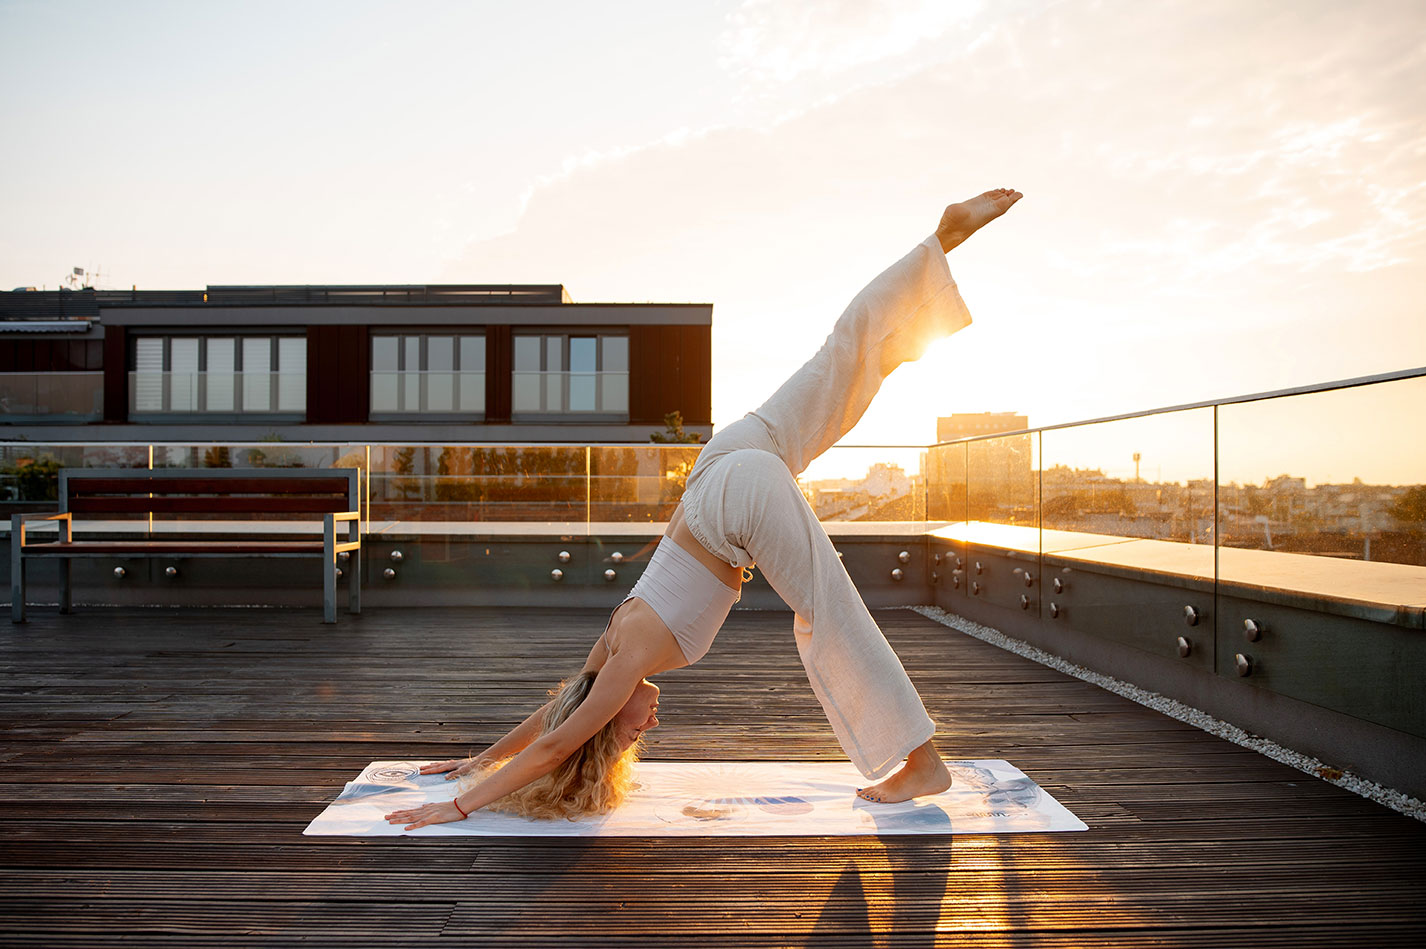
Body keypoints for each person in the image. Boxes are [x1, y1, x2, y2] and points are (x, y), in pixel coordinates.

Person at [386, 188, 1023, 829]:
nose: (648, 727)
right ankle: (940, 242)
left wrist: (459, 803)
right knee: (838, 358)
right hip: (717, 466)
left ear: (608, 720)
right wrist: (475, 760)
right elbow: (549, 720)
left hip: (734, 501)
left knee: (827, 609)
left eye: (632, 733)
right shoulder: (610, 645)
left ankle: (920, 758)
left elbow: (557, 740)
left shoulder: (624, 666)